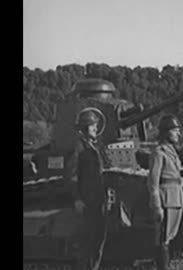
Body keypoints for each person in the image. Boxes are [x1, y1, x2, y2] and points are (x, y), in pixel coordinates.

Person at [65, 110, 107, 270]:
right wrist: (77, 198)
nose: (96, 128)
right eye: (93, 125)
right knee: (88, 242)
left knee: (98, 240)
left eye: (96, 125)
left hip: (98, 199)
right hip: (88, 201)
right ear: (84, 127)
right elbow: (72, 175)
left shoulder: (94, 147)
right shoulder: (79, 147)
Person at [147, 114, 183, 270]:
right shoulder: (159, 152)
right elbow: (153, 181)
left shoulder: (172, 151)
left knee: (170, 237)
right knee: (163, 238)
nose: (178, 133)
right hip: (166, 199)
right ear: (166, 132)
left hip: (176, 197)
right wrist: (156, 205)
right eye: (175, 130)